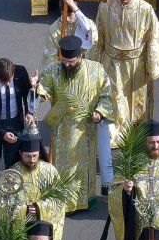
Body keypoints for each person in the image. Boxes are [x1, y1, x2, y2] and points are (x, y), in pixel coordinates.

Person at [37, 35, 114, 212]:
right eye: (64, 61)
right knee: (64, 166)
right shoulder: (53, 70)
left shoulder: (96, 70)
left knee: (84, 165)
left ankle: (85, 200)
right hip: (62, 128)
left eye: (71, 62)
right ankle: (65, 203)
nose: (67, 65)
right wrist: (36, 88)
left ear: (80, 56)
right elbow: (43, 92)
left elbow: (106, 95)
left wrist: (99, 112)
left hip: (86, 128)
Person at [95, 0, 159, 139]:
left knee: (135, 103)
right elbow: (98, 35)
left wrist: (152, 66)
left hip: (136, 66)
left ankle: (135, 135)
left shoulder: (145, 9)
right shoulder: (105, 7)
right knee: (113, 99)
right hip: (111, 63)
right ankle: (112, 135)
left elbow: (154, 37)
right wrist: (94, 63)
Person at [0, 133, 66, 240]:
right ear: (20, 153)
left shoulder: (49, 171)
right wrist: (24, 209)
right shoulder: (12, 174)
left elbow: (59, 198)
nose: (32, 160)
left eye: (34, 156)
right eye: (27, 156)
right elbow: (1, 202)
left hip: (44, 226)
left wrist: (38, 207)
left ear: (39, 153)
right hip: (21, 226)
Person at [0, 58, 35, 204]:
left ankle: (11, 188)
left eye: (10, 80)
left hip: (15, 122)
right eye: (4, 82)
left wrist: (29, 112)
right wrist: (2, 133)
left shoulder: (20, 72)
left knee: (13, 159)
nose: (8, 84)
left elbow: (28, 94)